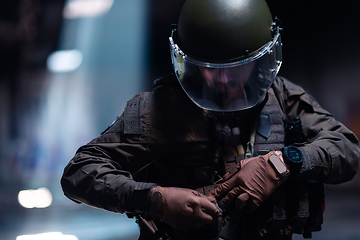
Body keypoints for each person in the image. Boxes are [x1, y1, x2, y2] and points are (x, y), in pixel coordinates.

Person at [61, 0, 360, 239]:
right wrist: (155, 199)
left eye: (236, 67)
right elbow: (80, 173)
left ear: (261, 60)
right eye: (209, 67)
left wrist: (282, 163)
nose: (222, 79)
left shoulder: (282, 97)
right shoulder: (158, 110)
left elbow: (347, 149)